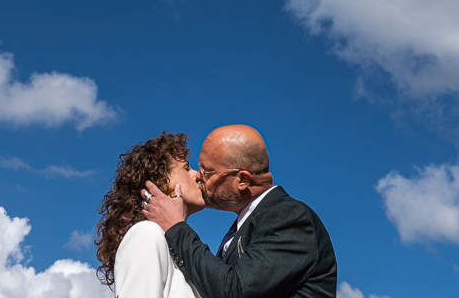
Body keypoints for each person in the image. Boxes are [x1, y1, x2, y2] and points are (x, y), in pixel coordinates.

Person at [141, 125, 336, 298]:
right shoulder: (246, 225)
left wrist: (176, 227)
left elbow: (234, 291)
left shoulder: (289, 216)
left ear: (242, 180)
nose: (198, 176)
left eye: (206, 171)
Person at [95, 132, 207, 297]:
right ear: (163, 182)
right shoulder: (146, 234)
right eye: (186, 168)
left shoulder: (183, 253)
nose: (198, 175)